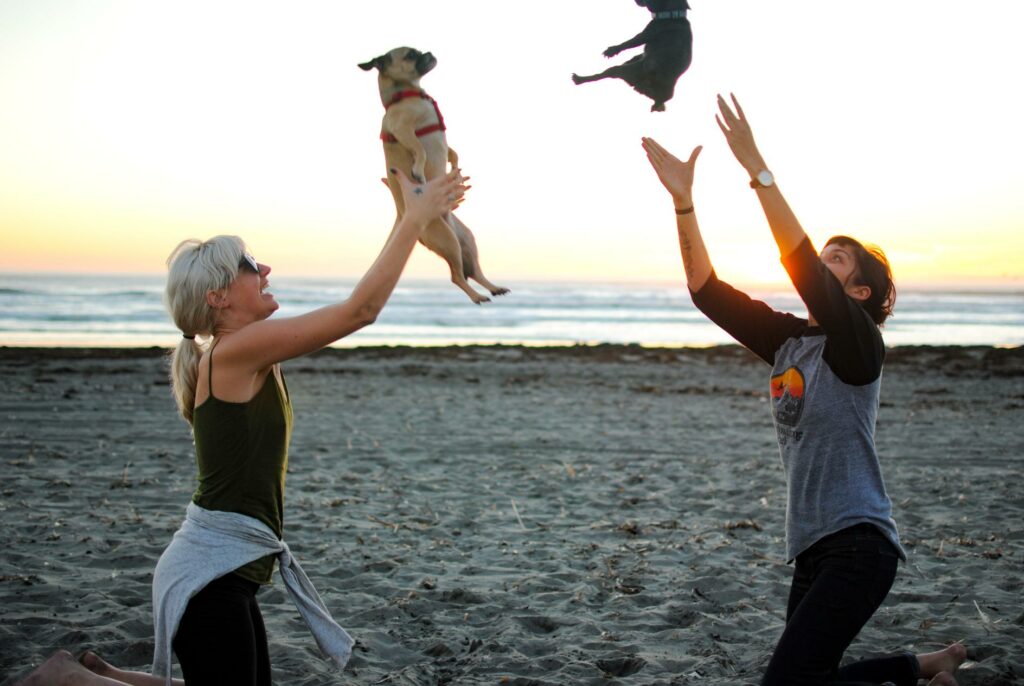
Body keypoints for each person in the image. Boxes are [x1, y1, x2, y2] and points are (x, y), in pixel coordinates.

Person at [14, 167, 468, 686]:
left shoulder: (244, 353)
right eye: (251, 264)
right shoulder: (236, 352)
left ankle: (98, 674)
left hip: (225, 570)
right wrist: (414, 217)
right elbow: (360, 310)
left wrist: (407, 214)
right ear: (218, 297)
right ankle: (69, 681)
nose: (266, 267)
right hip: (209, 575)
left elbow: (360, 304)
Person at [641, 94, 966, 686]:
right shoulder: (790, 342)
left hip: (859, 546)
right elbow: (705, 290)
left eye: (837, 260)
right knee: (808, 679)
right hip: (812, 548)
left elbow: (801, 267)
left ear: (859, 293)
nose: (823, 261)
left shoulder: (859, 344)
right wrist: (684, 204)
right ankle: (923, 669)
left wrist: (756, 168)